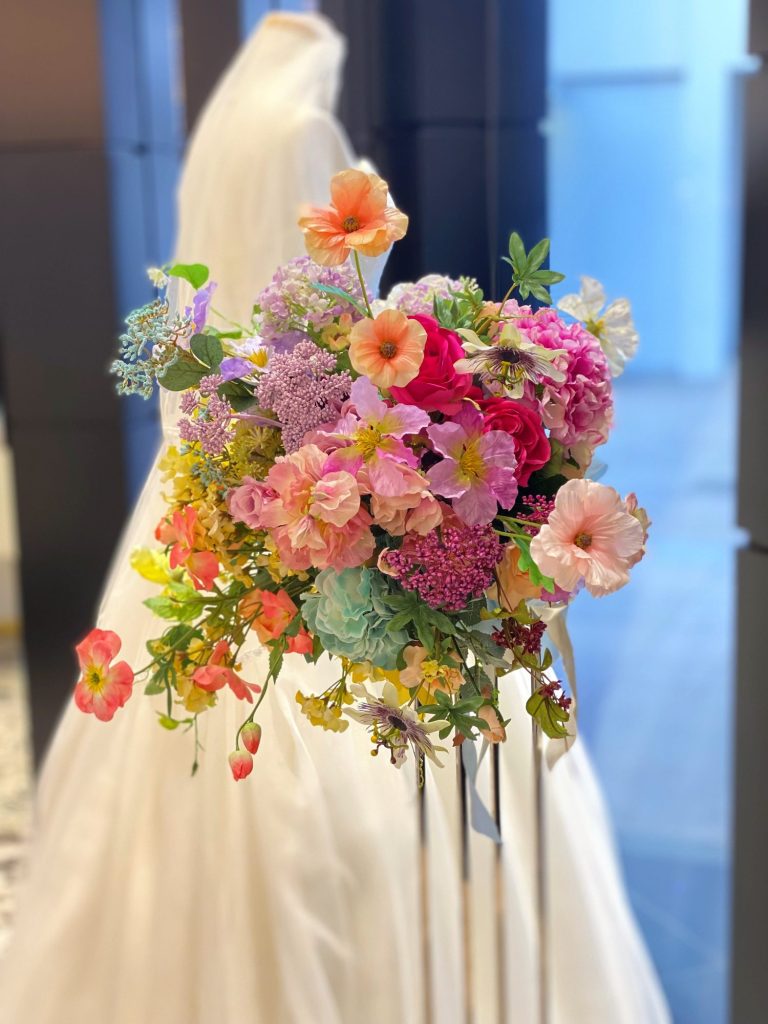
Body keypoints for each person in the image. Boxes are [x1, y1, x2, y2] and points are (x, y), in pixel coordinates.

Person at [0, 13, 669, 1022]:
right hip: (307, 450)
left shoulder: (223, 138)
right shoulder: (301, 127)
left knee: (198, 703)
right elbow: (334, 309)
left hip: (229, 446)